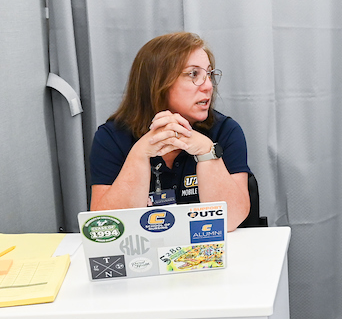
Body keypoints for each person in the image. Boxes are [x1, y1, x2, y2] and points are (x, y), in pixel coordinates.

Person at [89, 32, 252, 228]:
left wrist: (207, 151)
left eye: (209, 74)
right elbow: (105, 227)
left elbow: (231, 220)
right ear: (157, 82)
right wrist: (139, 155)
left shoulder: (226, 131)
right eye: (193, 74)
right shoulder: (111, 138)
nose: (208, 86)